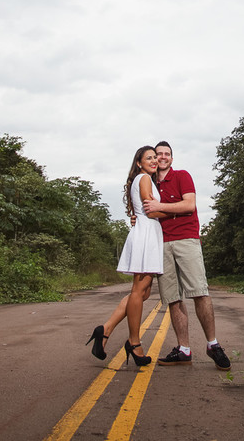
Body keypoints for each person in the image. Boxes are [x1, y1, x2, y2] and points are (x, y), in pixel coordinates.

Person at [142, 140, 231, 370]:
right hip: (162, 243)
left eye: (166, 154)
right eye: (157, 154)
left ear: (171, 158)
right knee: (172, 297)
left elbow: (189, 205)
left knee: (199, 292)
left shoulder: (182, 176)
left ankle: (213, 345)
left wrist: (158, 207)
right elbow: (146, 212)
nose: (161, 157)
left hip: (186, 239)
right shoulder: (149, 183)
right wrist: (139, 216)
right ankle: (184, 349)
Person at [87, 146, 165, 366]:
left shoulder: (142, 179)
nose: (153, 161)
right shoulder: (145, 179)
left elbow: (142, 209)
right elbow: (150, 210)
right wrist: (179, 210)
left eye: (154, 158)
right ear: (139, 163)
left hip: (147, 233)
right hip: (147, 235)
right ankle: (134, 342)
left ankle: (106, 329)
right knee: (139, 292)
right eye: (148, 158)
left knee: (142, 293)